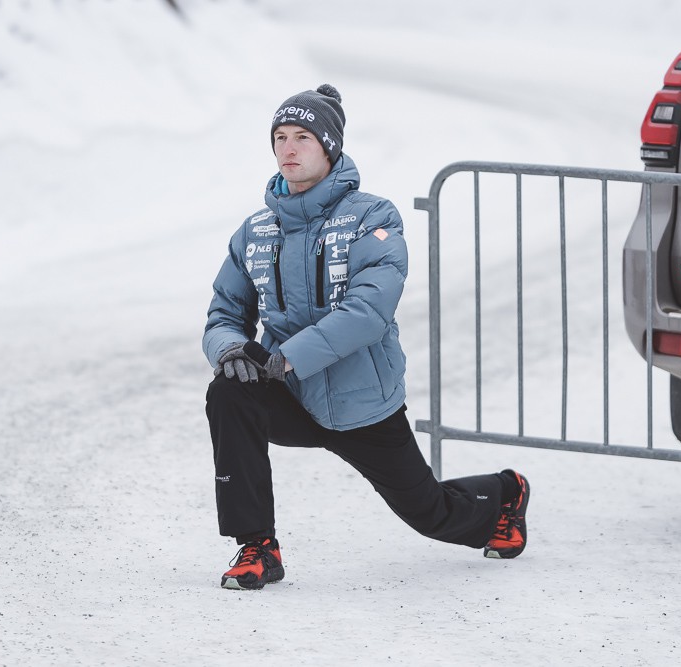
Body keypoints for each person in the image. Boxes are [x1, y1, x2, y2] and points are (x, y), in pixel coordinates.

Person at [202, 84, 530, 590]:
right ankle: (257, 547)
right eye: (280, 137)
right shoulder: (255, 231)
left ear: (329, 147)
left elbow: (368, 311)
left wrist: (288, 357)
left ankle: (504, 493)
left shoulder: (372, 217)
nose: (288, 149)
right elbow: (225, 311)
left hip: (361, 403)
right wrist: (230, 350)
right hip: (288, 393)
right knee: (228, 391)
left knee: (431, 514)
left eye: (303, 137)